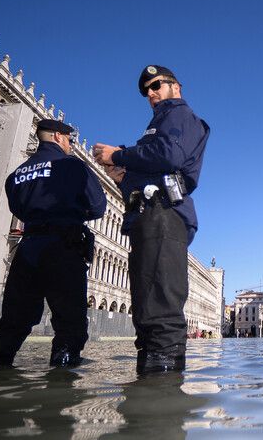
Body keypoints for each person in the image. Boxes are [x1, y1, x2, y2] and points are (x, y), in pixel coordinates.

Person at [92, 65, 209, 373]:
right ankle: (148, 386)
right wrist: (121, 177)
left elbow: (169, 156)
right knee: (146, 312)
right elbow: (154, 167)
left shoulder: (178, 114)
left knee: (159, 309)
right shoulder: (157, 123)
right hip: (148, 216)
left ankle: (161, 395)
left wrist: (118, 155)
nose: (151, 93)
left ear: (176, 87)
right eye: (146, 91)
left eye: (156, 85)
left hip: (164, 215)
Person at [0, 119, 107, 367]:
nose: (72, 146)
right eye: (70, 140)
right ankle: (61, 379)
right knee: (69, 321)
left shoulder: (16, 175)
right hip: (62, 246)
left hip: (27, 249)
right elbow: (97, 207)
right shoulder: (73, 167)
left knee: (14, 320)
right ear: (57, 137)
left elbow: (17, 208)